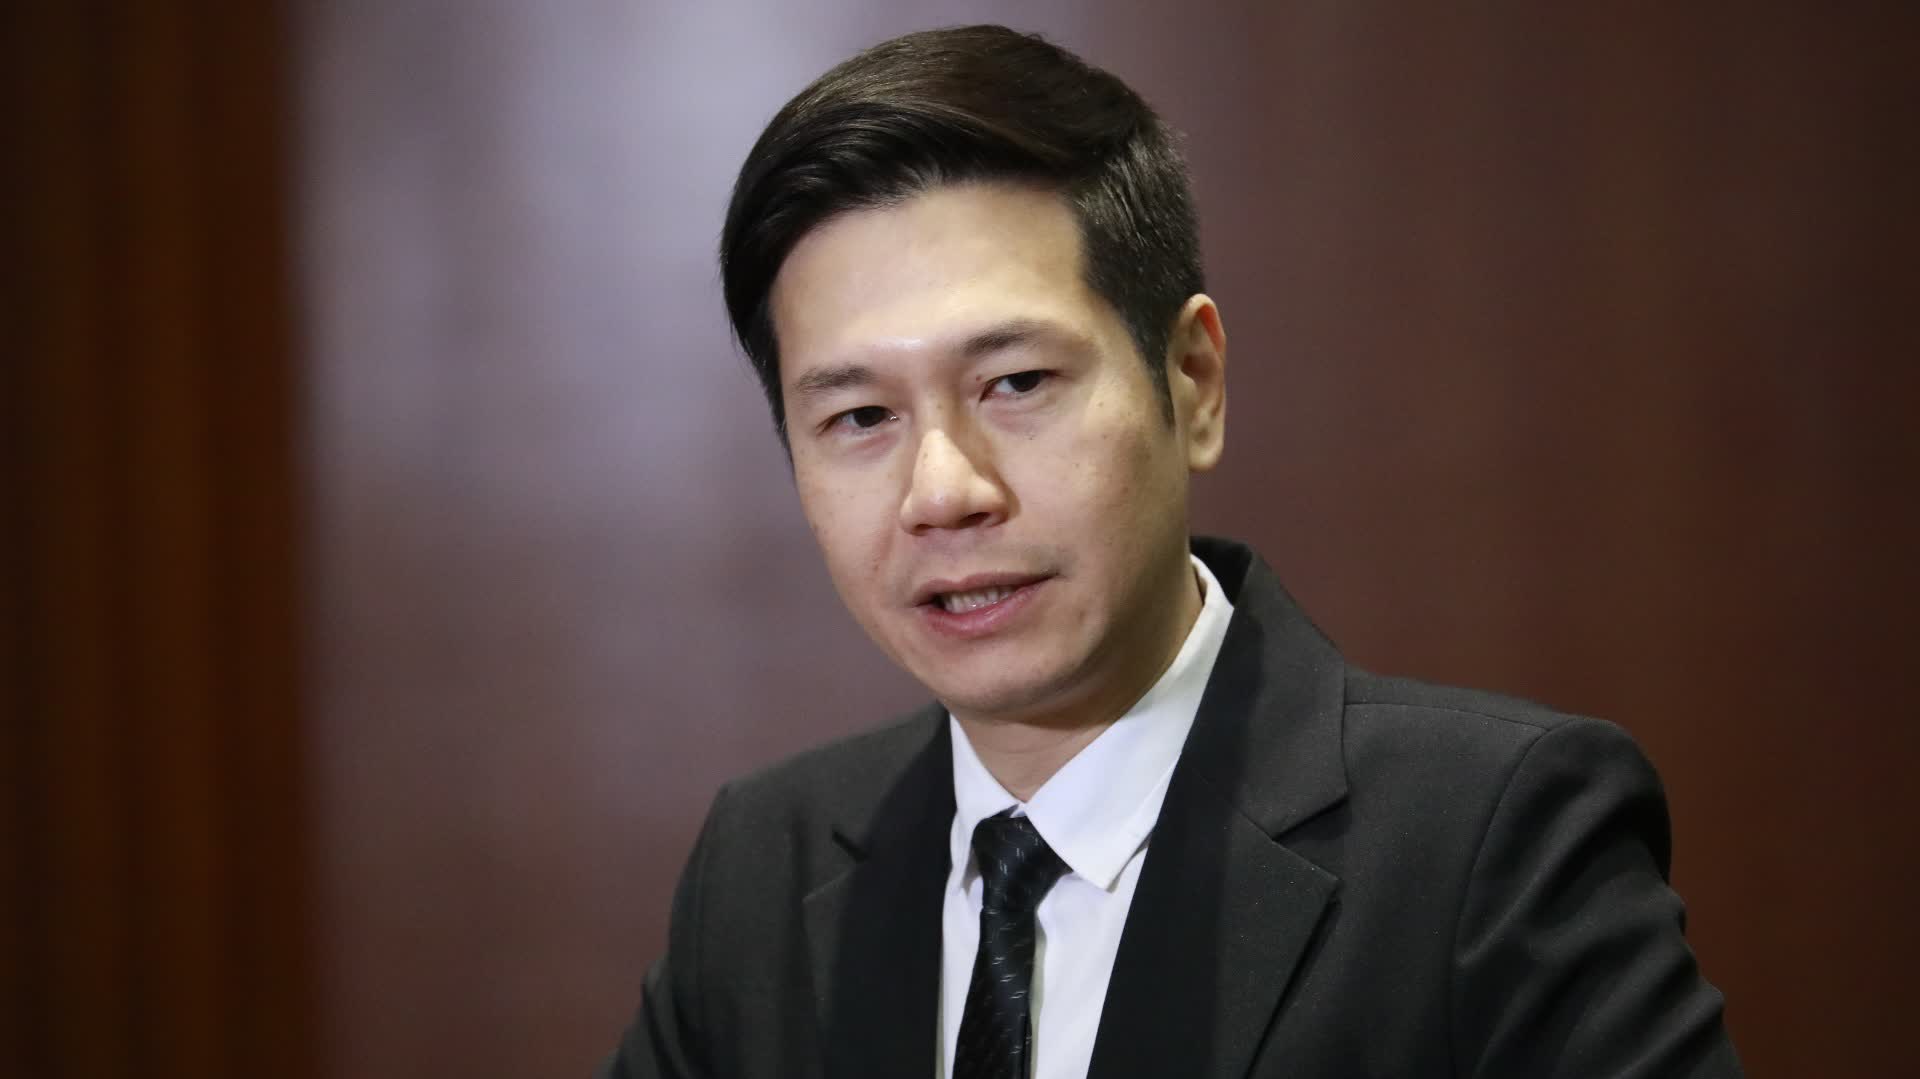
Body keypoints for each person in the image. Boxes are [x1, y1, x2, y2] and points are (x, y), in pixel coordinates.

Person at [600, 24, 1740, 1079]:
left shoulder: (1489, 843)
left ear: (1191, 382)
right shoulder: (764, 864)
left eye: (1016, 382)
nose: (942, 491)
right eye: (860, 416)